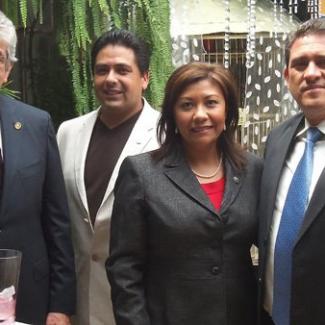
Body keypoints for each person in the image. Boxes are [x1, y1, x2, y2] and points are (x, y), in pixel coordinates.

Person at [106, 62, 262, 325]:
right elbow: (124, 268)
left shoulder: (252, 169)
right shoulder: (142, 172)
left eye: (211, 103)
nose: (199, 114)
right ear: (172, 115)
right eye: (187, 105)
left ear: (228, 110)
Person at [57, 29, 160, 325]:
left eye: (123, 70)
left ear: (144, 78)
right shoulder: (67, 132)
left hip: (139, 305)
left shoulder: (167, 138)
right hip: (78, 301)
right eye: (102, 70)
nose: (111, 79)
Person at [0, 10, 75, 325]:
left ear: (7, 69)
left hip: (28, 293)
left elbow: (56, 219)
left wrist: (60, 306)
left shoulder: (35, 123)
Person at [258, 17, 325, 325]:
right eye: (300, 64)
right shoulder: (277, 139)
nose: (311, 73)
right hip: (270, 315)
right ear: (287, 77)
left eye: (322, 61)